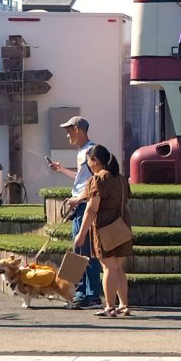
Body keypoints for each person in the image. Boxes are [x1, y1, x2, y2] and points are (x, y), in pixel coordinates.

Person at [46, 116, 102, 309]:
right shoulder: (82, 152)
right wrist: (61, 170)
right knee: (80, 249)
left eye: (69, 130)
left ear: (78, 129)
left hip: (84, 205)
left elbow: (96, 181)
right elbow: (80, 179)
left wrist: (81, 198)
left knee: (84, 249)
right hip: (79, 204)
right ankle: (82, 292)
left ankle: (91, 294)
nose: (67, 134)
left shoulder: (90, 151)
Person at [76, 143, 133, 318]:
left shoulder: (98, 179)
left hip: (104, 228)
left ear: (95, 161)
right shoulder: (121, 178)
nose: (88, 166)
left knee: (108, 268)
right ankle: (124, 305)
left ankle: (109, 307)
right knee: (118, 268)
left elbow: (92, 209)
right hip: (122, 226)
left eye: (88, 162)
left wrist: (82, 233)